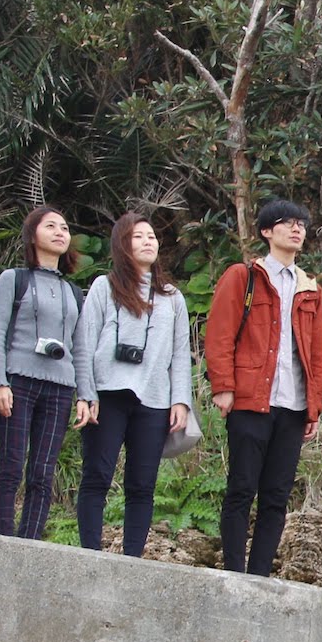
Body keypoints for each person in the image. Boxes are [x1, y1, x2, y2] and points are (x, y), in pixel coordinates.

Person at [204, 199, 322, 576]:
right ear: (266, 231)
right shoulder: (244, 276)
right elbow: (219, 333)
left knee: (276, 496)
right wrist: (224, 386)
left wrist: (314, 407)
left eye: (301, 224)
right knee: (241, 488)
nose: (297, 229)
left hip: (292, 406)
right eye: (287, 223)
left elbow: (317, 353)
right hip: (250, 399)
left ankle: (259, 576)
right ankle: (233, 572)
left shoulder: (310, 288)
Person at [74, 213, 192, 556]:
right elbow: (84, 342)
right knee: (97, 476)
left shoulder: (173, 298)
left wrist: (180, 400)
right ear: (122, 245)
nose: (148, 241)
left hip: (154, 400)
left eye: (152, 236)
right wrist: (86, 392)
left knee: (142, 485)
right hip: (107, 394)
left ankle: (132, 559)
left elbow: (181, 353)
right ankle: (89, 553)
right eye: (138, 236)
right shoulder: (104, 286)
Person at [0, 206, 83, 539]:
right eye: (51, 226)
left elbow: (80, 348)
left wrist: (85, 394)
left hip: (60, 387)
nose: (60, 232)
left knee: (42, 472)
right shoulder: (14, 279)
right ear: (33, 235)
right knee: (11, 466)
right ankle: (3, 538)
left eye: (65, 227)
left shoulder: (74, 292)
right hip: (18, 381)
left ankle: (29, 543)